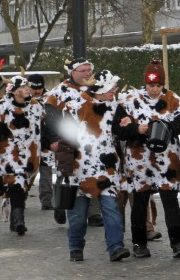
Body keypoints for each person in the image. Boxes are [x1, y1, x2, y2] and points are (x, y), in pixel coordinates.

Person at [118, 58, 180, 259]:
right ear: (145, 83)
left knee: (170, 200)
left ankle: (178, 242)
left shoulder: (174, 100)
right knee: (140, 201)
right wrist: (136, 128)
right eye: (151, 85)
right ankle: (139, 243)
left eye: (158, 85)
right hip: (138, 159)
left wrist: (167, 128)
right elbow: (119, 129)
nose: (154, 90)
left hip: (167, 159)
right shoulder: (129, 100)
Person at [56, 69, 131, 263]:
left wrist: (129, 125)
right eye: (110, 88)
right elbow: (66, 140)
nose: (114, 91)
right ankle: (75, 248)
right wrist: (65, 166)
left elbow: (124, 132)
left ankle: (116, 247)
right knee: (78, 217)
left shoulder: (115, 108)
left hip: (107, 169)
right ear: (99, 88)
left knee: (112, 211)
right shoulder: (74, 107)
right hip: (79, 169)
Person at [44, 58, 103, 227]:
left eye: (88, 70)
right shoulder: (59, 91)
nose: (87, 73)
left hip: (92, 141)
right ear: (73, 73)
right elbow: (51, 116)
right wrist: (56, 138)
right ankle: (60, 203)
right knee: (66, 173)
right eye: (83, 70)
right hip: (68, 141)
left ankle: (93, 212)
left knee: (93, 173)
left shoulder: (96, 89)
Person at [0, 75, 44, 236]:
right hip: (9, 152)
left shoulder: (36, 106)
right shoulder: (2, 107)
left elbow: (44, 127)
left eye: (27, 86)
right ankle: (20, 219)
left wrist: (51, 142)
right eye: (22, 87)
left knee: (24, 185)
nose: (27, 89)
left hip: (32, 153)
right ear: (14, 92)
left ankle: (14, 218)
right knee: (16, 182)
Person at [27, 74, 54, 211]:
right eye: (34, 88)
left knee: (46, 171)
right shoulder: (24, 99)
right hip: (28, 143)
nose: (37, 91)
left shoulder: (50, 99)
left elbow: (53, 121)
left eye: (40, 88)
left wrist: (50, 140)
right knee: (27, 170)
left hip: (46, 141)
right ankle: (20, 196)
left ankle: (47, 200)